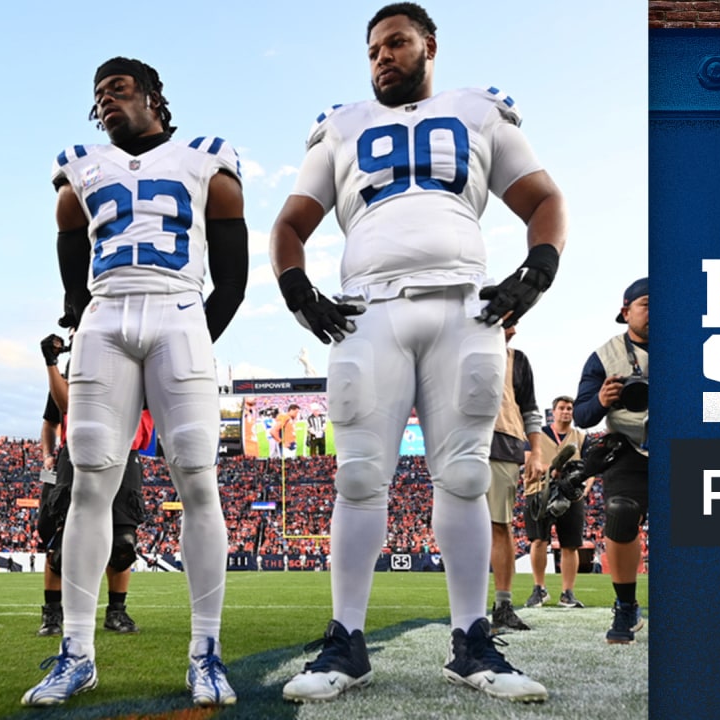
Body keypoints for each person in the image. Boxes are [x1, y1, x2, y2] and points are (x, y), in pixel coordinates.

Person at [269, 3, 565, 704]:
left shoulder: (478, 111)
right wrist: (296, 291)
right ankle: (345, 640)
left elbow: (544, 199)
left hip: (466, 306)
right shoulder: (341, 124)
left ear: (429, 46)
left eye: (396, 43)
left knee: (463, 476)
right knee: (359, 476)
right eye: (373, 48)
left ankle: (471, 642)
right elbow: (290, 222)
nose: (382, 57)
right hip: (368, 307)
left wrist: (538, 270)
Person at [22, 56, 247, 708]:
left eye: (118, 89)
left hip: (179, 307)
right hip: (106, 316)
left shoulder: (203, 158)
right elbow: (68, 221)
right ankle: (76, 655)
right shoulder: (83, 167)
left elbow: (231, 279)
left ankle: (205, 652)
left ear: (151, 95)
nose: (106, 102)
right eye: (98, 95)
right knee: (90, 479)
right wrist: (73, 299)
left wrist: (198, 334)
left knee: (198, 478)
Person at [36, 331, 150, 638]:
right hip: (77, 453)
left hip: (125, 453)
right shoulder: (77, 371)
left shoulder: (138, 368)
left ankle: (117, 611)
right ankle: (52, 614)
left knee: (123, 543)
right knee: (61, 541)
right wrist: (47, 455)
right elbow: (58, 415)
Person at [574, 278, 649, 644]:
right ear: (626, 311)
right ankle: (625, 605)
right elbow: (582, 417)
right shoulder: (604, 356)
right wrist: (603, 400)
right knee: (620, 511)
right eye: (648, 305)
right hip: (630, 446)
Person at [487, 323, 544, 631]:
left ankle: (503, 604)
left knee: (500, 525)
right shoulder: (455, 353)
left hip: (503, 444)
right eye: (508, 321)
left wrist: (536, 452)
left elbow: (531, 410)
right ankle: (466, 608)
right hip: (459, 444)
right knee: (461, 529)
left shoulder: (517, 360)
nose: (514, 330)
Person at [524, 395, 592, 610]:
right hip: (539, 491)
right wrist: (551, 469)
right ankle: (539, 588)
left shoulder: (581, 437)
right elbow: (528, 462)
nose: (566, 411)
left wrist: (584, 490)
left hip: (571, 495)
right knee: (538, 540)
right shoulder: (536, 436)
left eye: (570, 408)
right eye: (561, 408)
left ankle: (567, 593)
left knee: (571, 545)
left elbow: (590, 469)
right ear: (553, 412)